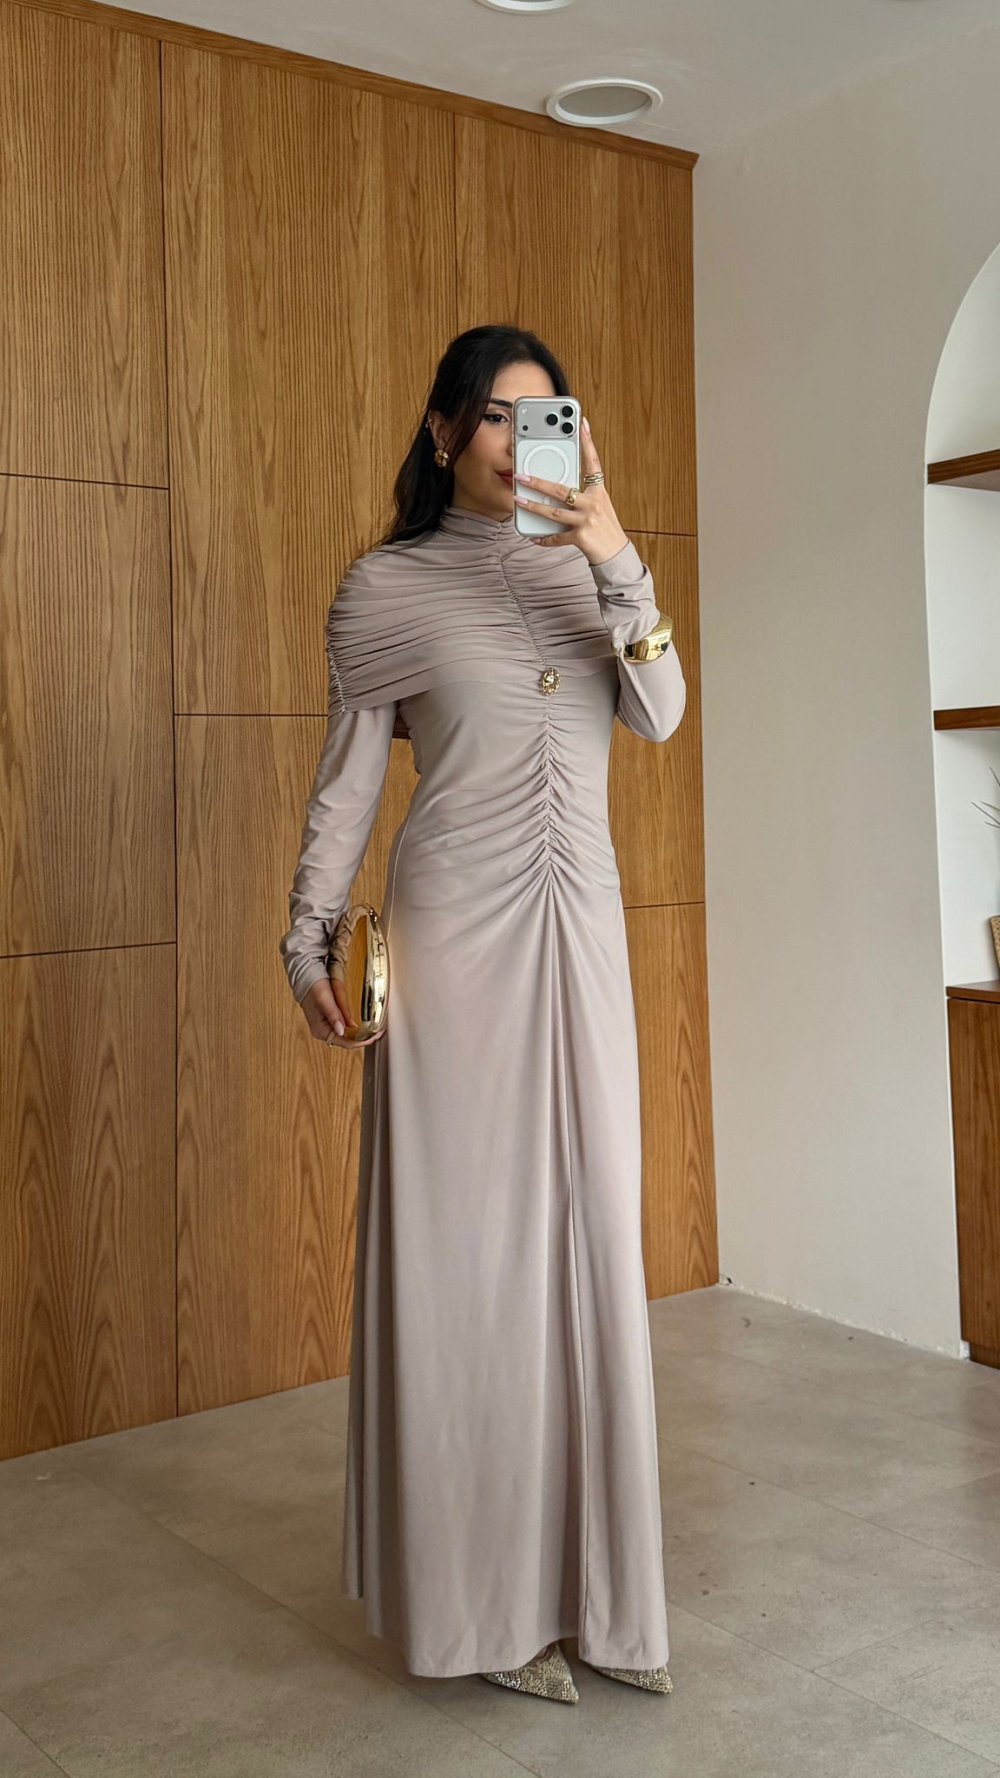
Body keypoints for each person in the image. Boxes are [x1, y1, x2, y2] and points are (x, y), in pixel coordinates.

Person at [279, 324, 686, 1704]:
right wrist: (306, 940)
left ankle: (603, 1600)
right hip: (455, 940)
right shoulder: (385, 587)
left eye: (545, 417)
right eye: (500, 418)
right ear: (445, 429)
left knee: (593, 1242)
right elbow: (348, 785)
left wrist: (614, 549)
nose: (522, 443)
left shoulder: (591, 569)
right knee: (475, 1266)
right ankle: (485, 1614)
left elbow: (662, 712)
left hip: (584, 935)